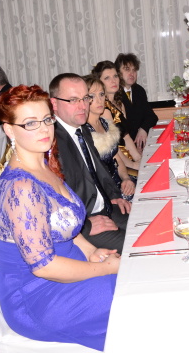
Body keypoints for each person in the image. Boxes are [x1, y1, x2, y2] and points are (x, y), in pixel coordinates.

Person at [0, 84, 118, 350]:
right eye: (30, 123)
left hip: (65, 267)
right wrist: (104, 268)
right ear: (9, 130)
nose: (44, 129)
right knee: (126, 297)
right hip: (38, 295)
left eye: (47, 119)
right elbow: (43, 267)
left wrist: (92, 251)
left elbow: (65, 224)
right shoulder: (21, 188)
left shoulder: (44, 164)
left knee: (132, 282)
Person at [49, 73, 131, 253]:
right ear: (54, 104)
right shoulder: (50, 141)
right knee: (137, 246)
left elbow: (98, 170)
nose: (83, 106)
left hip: (106, 207)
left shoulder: (81, 128)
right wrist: (84, 226)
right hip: (83, 222)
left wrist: (114, 195)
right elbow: (50, 200)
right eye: (73, 100)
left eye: (85, 98)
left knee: (148, 225)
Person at [84, 75, 136, 201]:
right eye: (92, 96)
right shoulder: (84, 132)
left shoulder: (105, 124)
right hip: (105, 192)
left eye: (101, 94)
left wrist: (126, 179)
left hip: (119, 181)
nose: (99, 100)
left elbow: (117, 158)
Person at [91, 61, 141, 171]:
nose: (113, 81)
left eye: (115, 76)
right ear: (99, 82)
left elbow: (126, 137)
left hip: (127, 157)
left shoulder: (119, 103)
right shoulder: (103, 109)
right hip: (118, 163)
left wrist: (139, 159)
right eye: (107, 78)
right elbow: (113, 146)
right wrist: (132, 165)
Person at [115, 53, 158, 151]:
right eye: (127, 69)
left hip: (141, 144)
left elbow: (151, 116)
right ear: (118, 73)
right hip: (124, 148)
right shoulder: (115, 94)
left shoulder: (139, 90)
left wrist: (143, 129)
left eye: (134, 70)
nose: (132, 74)